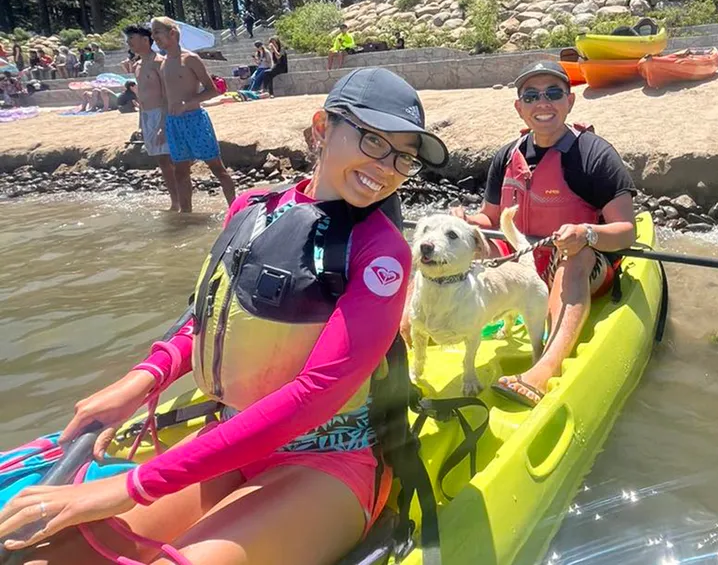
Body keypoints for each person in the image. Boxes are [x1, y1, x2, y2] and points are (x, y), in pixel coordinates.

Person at [0, 66, 449, 565]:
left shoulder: (381, 254)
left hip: (327, 458)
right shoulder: (253, 208)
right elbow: (212, 315)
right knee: (53, 552)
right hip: (232, 437)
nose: (387, 166)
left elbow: (317, 394)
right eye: (373, 141)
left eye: (403, 156)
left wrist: (136, 485)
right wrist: (138, 384)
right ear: (323, 127)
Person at [439, 61, 636, 408]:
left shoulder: (594, 155)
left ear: (569, 101)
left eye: (553, 93)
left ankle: (545, 368)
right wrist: (466, 222)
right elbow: (492, 218)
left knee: (578, 255)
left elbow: (625, 231)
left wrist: (586, 233)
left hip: (579, 264)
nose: (542, 103)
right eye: (531, 96)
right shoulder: (506, 156)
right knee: (458, 244)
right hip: (523, 258)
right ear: (519, 107)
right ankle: (420, 327)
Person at [151, 16, 236, 212]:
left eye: (157, 32)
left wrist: (188, 103)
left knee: (217, 168)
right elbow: (166, 99)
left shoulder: (189, 59)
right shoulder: (163, 63)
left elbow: (213, 89)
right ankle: (186, 215)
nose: (154, 37)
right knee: (180, 172)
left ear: (172, 33)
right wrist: (163, 127)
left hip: (195, 120)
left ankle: (234, 210)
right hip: (174, 123)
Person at [125, 23, 181, 212]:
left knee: (169, 159)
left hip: (161, 113)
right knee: (161, 160)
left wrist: (163, 125)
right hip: (147, 115)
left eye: (132, 38)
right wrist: (141, 123)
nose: (128, 42)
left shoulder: (159, 62)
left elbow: (167, 94)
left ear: (144, 40)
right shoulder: (138, 65)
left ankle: (179, 201)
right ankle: (175, 199)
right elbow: (141, 96)